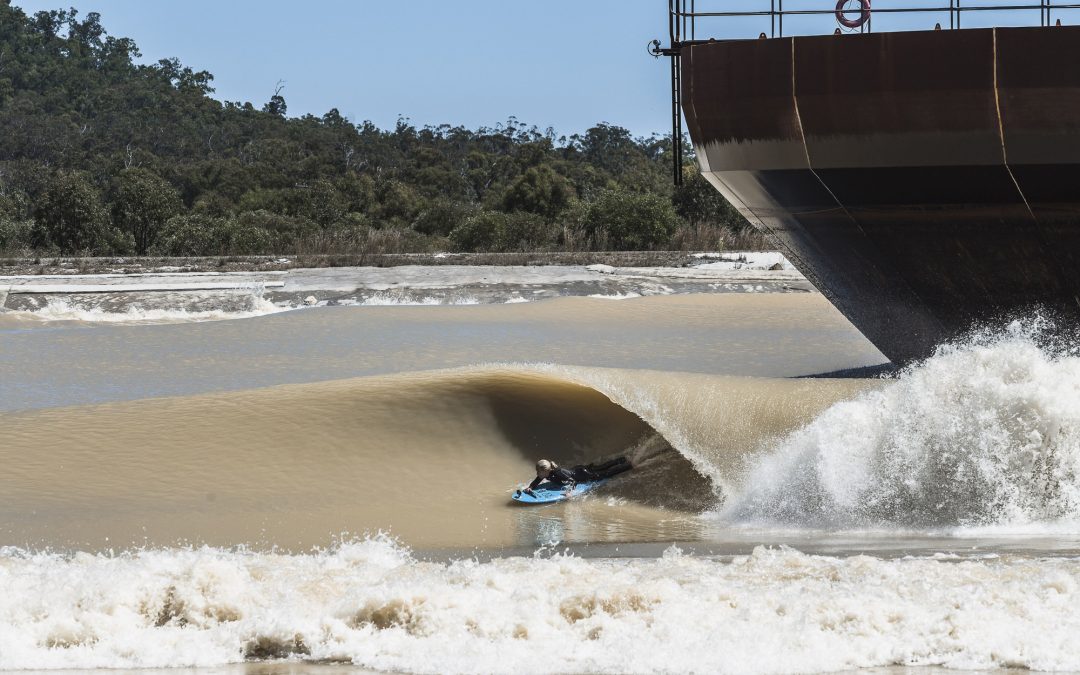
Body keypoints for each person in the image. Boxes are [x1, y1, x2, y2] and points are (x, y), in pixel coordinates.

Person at [523, 457, 632, 495]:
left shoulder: (557, 472)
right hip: (578, 469)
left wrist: (569, 492)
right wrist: (531, 487)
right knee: (601, 467)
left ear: (545, 470)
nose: (537, 474)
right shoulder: (545, 474)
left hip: (583, 474)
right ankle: (621, 460)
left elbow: (572, 481)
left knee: (605, 474)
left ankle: (628, 466)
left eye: (538, 471)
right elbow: (537, 480)